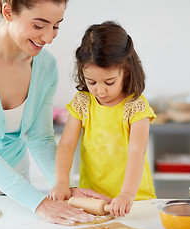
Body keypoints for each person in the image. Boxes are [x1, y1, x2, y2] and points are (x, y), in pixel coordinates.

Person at [0, 0, 110, 226]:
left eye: (55, 26)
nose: (49, 37)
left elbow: (41, 138)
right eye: (38, 25)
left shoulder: (46, 66)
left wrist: (63, 186)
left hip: (16, 192)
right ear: (8, 11)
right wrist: (39, 203)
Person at [48, 21, 157, 217]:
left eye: (109, 82)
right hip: (92, 200)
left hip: (134, 200)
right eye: (91, 82)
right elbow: (66, 145)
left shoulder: (136, 106)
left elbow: (136, 152)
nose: (100, 90)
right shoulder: (82, 103)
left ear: (127, 70)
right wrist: (61, 182)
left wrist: (126, 195)